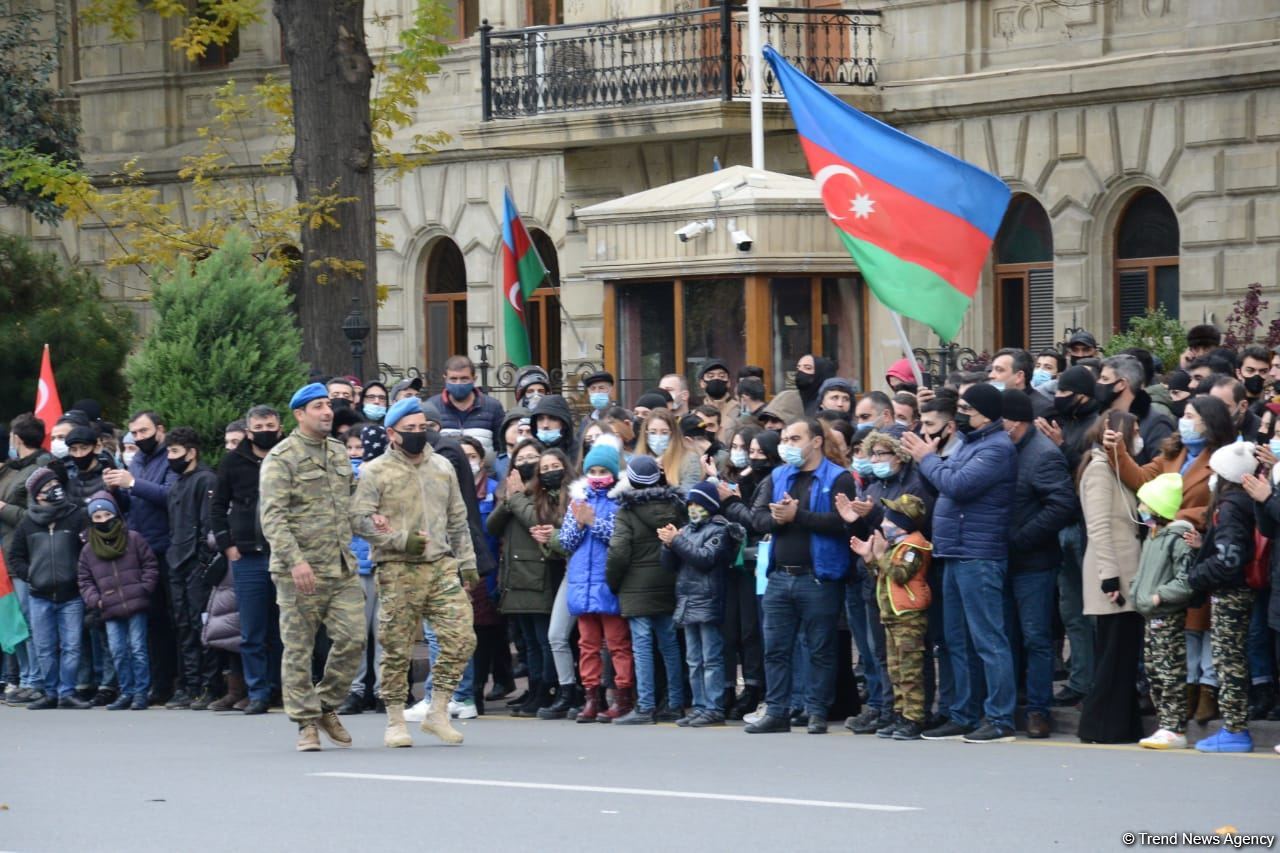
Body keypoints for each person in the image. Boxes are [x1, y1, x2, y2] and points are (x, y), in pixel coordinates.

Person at [350, 396, 478, 748]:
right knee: (395, 646)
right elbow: (359, 519)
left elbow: (457, 518)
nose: (418, 435)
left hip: (441, 567)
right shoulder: (375, 471)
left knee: (462, 637)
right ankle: (394, 718)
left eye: (423, 428)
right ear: (392, 433)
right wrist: (398, 540)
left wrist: (467, 564)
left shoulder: (442, 466)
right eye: (410, 430)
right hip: (397, 569)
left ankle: (438, 710)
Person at [1102, 394, 1237, 723]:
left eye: (1192, 415)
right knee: (1180, 626)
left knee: (1204, 623)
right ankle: (1186, 689)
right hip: (1165, 545)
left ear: (1209, 422)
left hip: (1197, 543)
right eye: (1185, 414)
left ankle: (1208, 689)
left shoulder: (1222, 458)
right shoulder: (1172, 453)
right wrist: (1116, 448)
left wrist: (1176, 515)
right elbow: (1141, 479)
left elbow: (1226, 501)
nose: (1185, 421)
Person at [904, 383, 1019, 743]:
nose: (962, 415)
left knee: (988, 640)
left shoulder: (997, 448)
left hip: (979, 555)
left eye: (968, 409)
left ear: (985, 411)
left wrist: (926, 456)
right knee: (956, 640)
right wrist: (930, 458)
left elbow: (957, 485)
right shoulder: (970, 444)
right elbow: (941, 483)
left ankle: (1000, 718)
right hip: (954, 552)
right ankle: (964, 714)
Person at [259, 383, 364, 752]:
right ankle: (305, 723)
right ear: (299, 414)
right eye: (318, 406)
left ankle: (324, 704)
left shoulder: (337, 452)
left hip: (340, 567)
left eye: (328, 406)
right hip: (298, 572)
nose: (326, 412)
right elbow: (272, 518)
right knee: (299, 649)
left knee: (354, 639)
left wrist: (378, 526)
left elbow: (351, 507)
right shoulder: (281, 458)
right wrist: (296, 561)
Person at [744, 418, 855, 735]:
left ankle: (817, 711)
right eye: (785, 439)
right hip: (779, 576)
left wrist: (798, 516)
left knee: (820, 647)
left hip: (818, 577)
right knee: (776, 648)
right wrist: (778, 519)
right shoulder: (780, 475)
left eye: (795, 438)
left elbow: (842, 523)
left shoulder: (838, 477)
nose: (787, 445)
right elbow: (759, 517)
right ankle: (777, 710)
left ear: (816, 441)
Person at [1001, 390, 1077, 739]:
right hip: (1002, 558)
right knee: (1007, 635)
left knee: (1036, 638)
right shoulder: (1002, 449)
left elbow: (1061, 507)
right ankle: (1012, 700)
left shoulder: (1043, 454)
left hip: (1033, 562)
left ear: (1013, 421)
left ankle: (1037, 709)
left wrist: (1022, 538)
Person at [1186, 442, 1259, 753]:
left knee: (1229, 662)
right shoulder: (1241, 504)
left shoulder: (1229, 508)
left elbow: (1229, 557)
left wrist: (1197, 576)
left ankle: (1235, 728)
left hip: (1231, 593)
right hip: (1238, 590)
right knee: (1231, 660)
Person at [1077, 411, 1145, 744]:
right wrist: (1109, 577)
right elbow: (1099, 526)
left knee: (1121, 654)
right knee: (1114, 656)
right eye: (1134, 431)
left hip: (1125, 572)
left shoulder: (1116, 469)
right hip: (1114, 574)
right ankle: (1101, 726)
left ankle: (1120, 725)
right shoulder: (1100, 470)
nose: (1138, 436)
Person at [102, 410, 179, 704]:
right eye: (134, 433)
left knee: (170, 620)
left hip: (164, 548)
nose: (138, 438)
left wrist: (132, 483)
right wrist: (115, 489)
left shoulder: (169, 459)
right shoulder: (138, 460)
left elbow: (168, 496)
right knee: (150, 623)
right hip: (137, 551)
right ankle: (154, 685)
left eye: (143, 432)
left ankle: (173, 683)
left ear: (160, 429)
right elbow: (131, 505)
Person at [211, 405, 282, 716]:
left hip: (285, 555)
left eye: (270, 424)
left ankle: (284, 688)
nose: (265, 430)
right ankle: (258, 692)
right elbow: (217, 507)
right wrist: (227, 546)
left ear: (280, 428)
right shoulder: (232, 461)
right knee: (252, 630)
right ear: (249, 431)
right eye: (259, 425)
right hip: (248, 557)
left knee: (286, 630)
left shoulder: (288, 457)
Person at [606, 454, 686, 725]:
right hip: (668, 580)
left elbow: (618, 552)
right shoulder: (675, 506)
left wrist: (614, 583)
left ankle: (646, 706)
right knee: (669, 644)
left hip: (635, 584)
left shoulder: (626, 512)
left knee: (642, 645)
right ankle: (675, 703)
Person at [1039, 365, 1101, 706]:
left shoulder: (1098, 425)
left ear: (1083, 395)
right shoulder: (1060, 421)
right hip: (1061, 524)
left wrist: (1062, 447)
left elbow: (1090, 471)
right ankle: (1080, 679)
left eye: (1065, 392)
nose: (1059, 398)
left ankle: (1098, 680)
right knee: (1071, 609)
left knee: (1093, 609)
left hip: (1087, 526)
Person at [561, 438, 634, 723]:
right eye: (592, 471)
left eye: (603, 471)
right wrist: (579, 522)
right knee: (587, 644)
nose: (597, 476)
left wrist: (593, 522)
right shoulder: (577, 501)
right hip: (581, 582)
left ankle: (622, 696)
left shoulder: (621, 502)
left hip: (608, 581)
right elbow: (566, 541)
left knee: (617, 643)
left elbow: (618, 539)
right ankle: (592, 698)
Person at [849, 494, 932, 740]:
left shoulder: (914, 547)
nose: (884, 523)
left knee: (909, 671)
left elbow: (899, 574)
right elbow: (881, 576)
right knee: (895, 670)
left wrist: (880, 554)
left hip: (908, 616)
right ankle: (899, 714)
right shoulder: (896, 546)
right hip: (892, 615)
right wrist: (870, 559)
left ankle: (914, 718)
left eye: (889, 518)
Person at [5, 465, 89, 709]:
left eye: (56, 485)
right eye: (47, 488)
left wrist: (79, 576)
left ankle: (68, 692)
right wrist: (30, 575)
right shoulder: (27, 523)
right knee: (44, 648)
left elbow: (86, 552)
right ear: (37, 495)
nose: (54, 490)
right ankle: (50, 692)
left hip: (71, 594)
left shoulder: (75, 516)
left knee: (72, 646)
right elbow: (16, 555)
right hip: (39, 595)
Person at [662, 480, 744, 727]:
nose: (693, 508)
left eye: (698, 503)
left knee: (711, 657)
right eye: (690, 504)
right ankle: (699, 705)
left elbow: (704, 558)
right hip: (687, 600)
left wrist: (676, 541)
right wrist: (667, 546)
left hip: (708, 600)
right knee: (693, 659)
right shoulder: (686, 531)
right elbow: (669, 566)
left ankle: (714, 706)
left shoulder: (719, 530)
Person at [489, 439, 561, 717]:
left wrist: (517, 498)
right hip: (516, 577)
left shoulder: (549, 495)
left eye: (533, 457)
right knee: (529, 641)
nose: (527, 463)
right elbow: (493, 526)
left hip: (540, 574)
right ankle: (534, 688)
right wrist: (509, 499)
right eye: (521, 459)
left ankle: (548, 688)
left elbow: (538, 521)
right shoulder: (513, 494)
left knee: (544, 640)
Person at [1131, 474, 1197, 749]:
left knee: (1170, 671)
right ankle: (1165, 723)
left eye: (1145, 504)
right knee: (1155, 671)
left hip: (1166, 614)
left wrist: (1159, 597)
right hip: (1151, 614)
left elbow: (1185, 580)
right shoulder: (1153, 535)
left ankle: (1174, 726)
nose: (1141, 508)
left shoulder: (1177, 537)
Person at [77, 492, 158, 710]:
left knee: (138, 649)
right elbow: (84, 580)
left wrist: (144, 588)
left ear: (115, 515)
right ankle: (126, 691)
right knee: (118, 651)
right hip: (109, 608)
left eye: (106, 514)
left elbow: (150, 565)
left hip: (136, 603)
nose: (103, 520)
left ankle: (140, 693)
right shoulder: (88, 549)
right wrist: (97, 601)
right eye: (97, 517)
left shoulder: (133, 538)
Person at [717, 429, 778, 719]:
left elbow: (756, 522)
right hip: (739, 562)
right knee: (736, 628)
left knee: (756, 630)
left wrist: (732, 501)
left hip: (763, 563)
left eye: (756, 450)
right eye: (743, 448)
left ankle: (758, 688)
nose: (751, 456)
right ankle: (739, 687)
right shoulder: (741, 480)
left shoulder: (773, 480)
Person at [161, 427, 219, 710]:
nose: (170, 457)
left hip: (196, 562)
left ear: (191, 452)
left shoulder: (206, 479)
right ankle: (189, 684)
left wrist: (203, 560)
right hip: (176, 562)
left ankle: (209, 685)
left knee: (201, 624)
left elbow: (208, 526)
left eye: (174, 451)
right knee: (182, 624)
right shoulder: (176, 484)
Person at [0, 414, 51, 705]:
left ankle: (36, 680)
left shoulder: (41, 467)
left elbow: (35, 515)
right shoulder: (12, 469)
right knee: (14, 621)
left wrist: (3, 507)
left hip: (27, 557)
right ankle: (23, 677)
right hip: (6, 556)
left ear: (17, 439)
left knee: (30, 622)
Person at [336, 428, 380, 716]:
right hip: (355, 564)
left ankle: (384, 691)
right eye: (350, 447)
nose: (355, 453)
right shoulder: (340, 478)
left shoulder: (383, 475)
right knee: (356, 634)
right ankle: (354, 689)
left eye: (360, 448)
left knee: (385, 633)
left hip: (382, 562)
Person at [1097, 354, 1174, 465]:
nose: (1098, 382)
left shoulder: (1157, 424)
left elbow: (1163, 470)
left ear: (1121, 384)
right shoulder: (1102, 416)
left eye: (1105, 379)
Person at [422, 355, 507, 453]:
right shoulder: (432, 407)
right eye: (453, 379)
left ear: (474, 379)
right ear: (445, 379)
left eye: (464, 379)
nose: (458, 383)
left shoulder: (493, 406)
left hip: (484, 467)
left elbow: (501, 447)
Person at [637, 408, 695, 491]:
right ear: (646, 434)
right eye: (653, 432)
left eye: (664, 433)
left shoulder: (689, 459)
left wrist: (664, 481)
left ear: (673, 434)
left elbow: (688, 495)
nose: (658, 437)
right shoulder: (638, 459)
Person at [988, 348, 1053, 418]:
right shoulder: (989, 404)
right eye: (992, 370)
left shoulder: (1043, 411)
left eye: (999, 370)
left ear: (1019, 376)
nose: (991, 375)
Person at [530, 394, 580, 463]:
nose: (545, 425)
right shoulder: (530, 451)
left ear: (564, 423)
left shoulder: (578, 452)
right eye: (540, 419)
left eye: (552, 419)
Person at [698, 360, 738, 442]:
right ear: (702, 383)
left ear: (729, 382)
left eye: (722, 376)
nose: (716, 379)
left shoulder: (738, 411)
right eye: (711, 376)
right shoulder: (696, 414)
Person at [577, 370, 616, 438]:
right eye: (593, 389)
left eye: (601, 388)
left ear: (611, 390)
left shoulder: (621, 416)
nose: (597, 392)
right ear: (589, 392)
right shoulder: (586, 421)